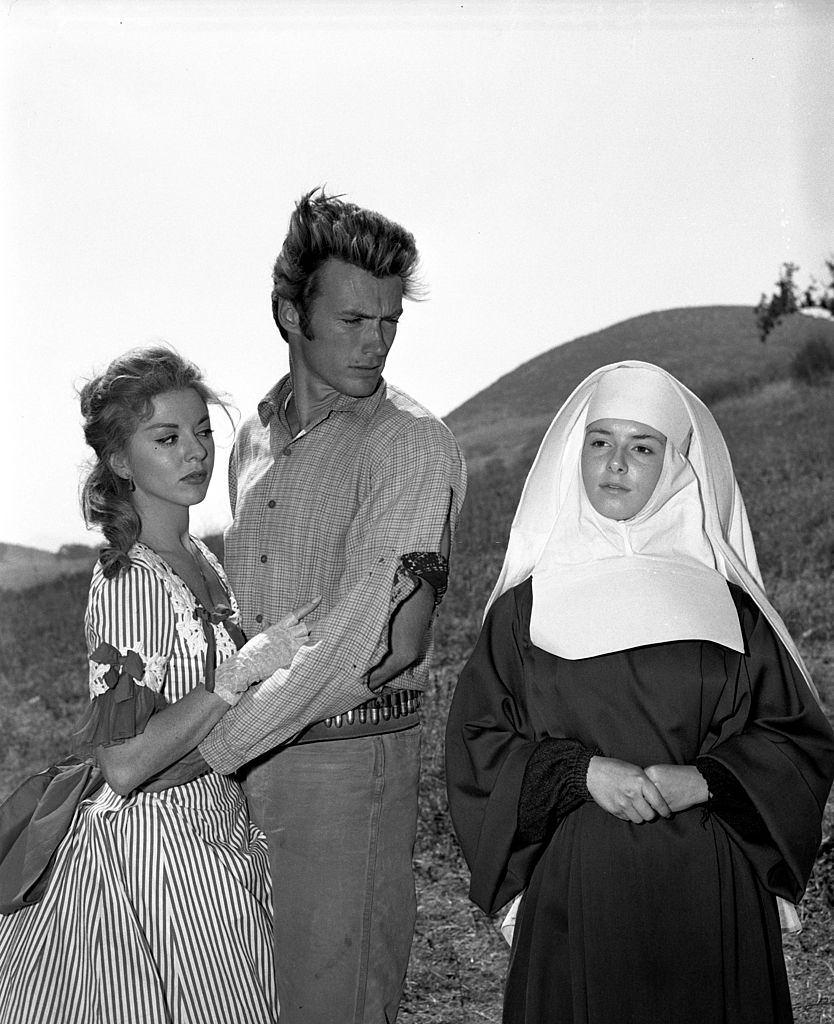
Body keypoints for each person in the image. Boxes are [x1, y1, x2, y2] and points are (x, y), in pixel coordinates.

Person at [445, 360, 834, 1024]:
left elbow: (794, 738)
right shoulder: (523, 611)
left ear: (675, 465)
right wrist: (579, 773)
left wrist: (709, 779)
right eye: (600, 441)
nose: (615, 463)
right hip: (578, 891)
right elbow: (478, 746)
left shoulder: (730, 608)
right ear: (577, 454)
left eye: (641, 446)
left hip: (712, 892)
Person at [196, 188, 467, 1023]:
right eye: (353, 320)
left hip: (344, 771)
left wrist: (207, 748)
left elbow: (375, 644)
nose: (376, 342)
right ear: (289, 312)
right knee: (247, 998)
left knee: (332, 1005)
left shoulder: (412, 444)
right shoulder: (251, 439)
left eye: (388, 322)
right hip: (241, 768)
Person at [0, 347, 318, 1024]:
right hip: (159, 858)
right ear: (120, 461)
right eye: (167, 438)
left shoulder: (202, 559)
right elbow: (122, 762)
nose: (195, 452)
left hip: (218, 826)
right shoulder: (131, 581)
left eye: (203, 431)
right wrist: (236, 675)